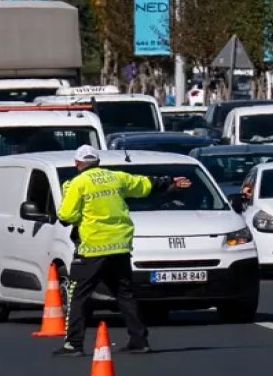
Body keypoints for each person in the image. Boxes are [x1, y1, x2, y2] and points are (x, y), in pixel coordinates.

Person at [54, 145, 192, 357]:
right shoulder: (116, 177)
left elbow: (66, 216)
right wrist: (171, 182)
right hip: (119, 246)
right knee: (125, 294)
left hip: (92, 248)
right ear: (98, 162)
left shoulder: (77, 183)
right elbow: (144, 184)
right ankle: (139, 340)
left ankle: (74, 343)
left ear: (77, 164)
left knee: (78, 295)